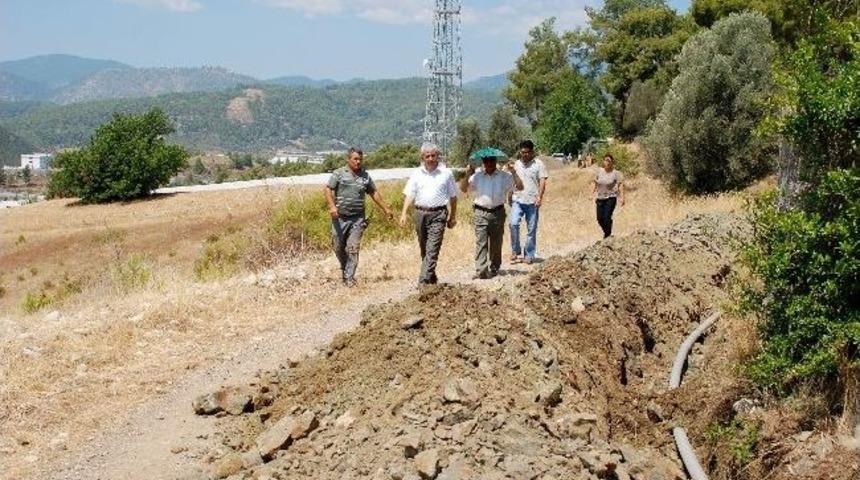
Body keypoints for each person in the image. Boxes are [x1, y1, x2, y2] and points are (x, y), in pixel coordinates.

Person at [325, 147, 393, 287]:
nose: (358, 162)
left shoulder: (365, 176)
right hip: (340, 218)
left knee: (353, 247)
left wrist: (386, 209)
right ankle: (345, 269)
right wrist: (332, 206)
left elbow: (373, 192)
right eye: (355, 159)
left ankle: (349, 278)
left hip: (357, 219)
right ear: (348, 159)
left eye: (360, 159)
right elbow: (328, 189)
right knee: (338, 246)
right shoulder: (339, 174)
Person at [400, 142, 459, 285]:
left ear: (437, 155)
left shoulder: (446, 173)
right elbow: (410, 194)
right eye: (428, 156)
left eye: (433, 155)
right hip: (420, 213)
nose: (431, 158)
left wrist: (452, 216)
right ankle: (431, 278)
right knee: (424, 249)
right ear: (423, 157)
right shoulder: (416, 173)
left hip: (438, 214)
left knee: (432, 248)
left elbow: (453, 197)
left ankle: (423, 281)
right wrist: (404, 213)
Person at [459, 154, 524, 279]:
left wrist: (514, 172)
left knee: (496, 243)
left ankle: (494, 267)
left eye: (491, 160)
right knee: (481, 242)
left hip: (498, 213)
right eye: (486, 161)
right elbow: (463, 188)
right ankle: (481, 270)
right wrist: (468, 174)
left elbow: (520, 187)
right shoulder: (477, 176)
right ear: (483, 162)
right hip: (480, 212)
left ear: (496, 161)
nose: (489, 163)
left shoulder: (504, 176)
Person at [509, 140, 548, 265]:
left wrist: (539, 197)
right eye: (522, 152)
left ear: (532, 152)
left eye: (527, 152)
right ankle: (515, 250)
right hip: (518, 199)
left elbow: (542, 181)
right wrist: (509, 195)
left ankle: (529, 254)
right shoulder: (516, 164)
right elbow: (512, 181)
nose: (524, 154)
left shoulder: (538, 164)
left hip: (532, 201)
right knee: (513, 223)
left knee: (531, 229)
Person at [592, 154, 625, 238]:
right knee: (599, 218)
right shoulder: (599, 171)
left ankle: (607, 235)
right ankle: (607, 233)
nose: (607, 162)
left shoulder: (616, 173)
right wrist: (591, 193)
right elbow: (595, 183)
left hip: (611, 197)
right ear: (603, 161)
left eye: (609, 161)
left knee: (607, 217)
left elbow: (620, 185)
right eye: (605, 160)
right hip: (600, 198)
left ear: (612, 162)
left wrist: (622, 197)